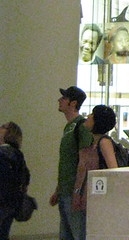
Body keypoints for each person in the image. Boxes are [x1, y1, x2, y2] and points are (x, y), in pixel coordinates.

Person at [49, 86, 93, 240]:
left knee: (77, 234)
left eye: (64, 98)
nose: (60, 101)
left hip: (73, 193)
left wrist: (77, 192)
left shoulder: (81, 126)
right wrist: (58, 190)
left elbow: (84, 161)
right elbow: (67, 162)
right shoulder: (69, 127)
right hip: (65, 192)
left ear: (73, 103)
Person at [72, 106, 119, 222]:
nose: (88, 116)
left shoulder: (104, 143)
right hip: (88, 198)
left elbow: (114, 172)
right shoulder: (94, 142)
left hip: (98, 201)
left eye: (92, 115)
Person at [0, 122, 31, 240]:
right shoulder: (17, 154)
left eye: (3, 127)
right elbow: (26, 176)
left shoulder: (5, 154)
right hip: (10, 203)